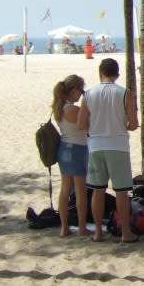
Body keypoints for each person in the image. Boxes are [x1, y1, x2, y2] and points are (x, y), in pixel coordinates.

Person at [77, 58, 139, 242]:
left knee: (98, 190)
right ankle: (126, 232)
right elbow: (134, 124)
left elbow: (82, 124)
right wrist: (122, 125)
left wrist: (96, 127)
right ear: (117, 75)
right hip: (118, 145)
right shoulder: (125, 93)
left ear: (100, 73)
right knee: (121, 191)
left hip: (96, 145)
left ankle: (97, 231)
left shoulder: (88, 94)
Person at [52, 74, 89, 238]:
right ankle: (82, 227)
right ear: (74, 90)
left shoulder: (60, 107)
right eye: (80, 90)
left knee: (65, 189)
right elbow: (88, 123)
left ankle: (64, 227)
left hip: (63, 149)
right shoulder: (73, 109)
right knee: (80, 190)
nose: (81, 94)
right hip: (77, 149)